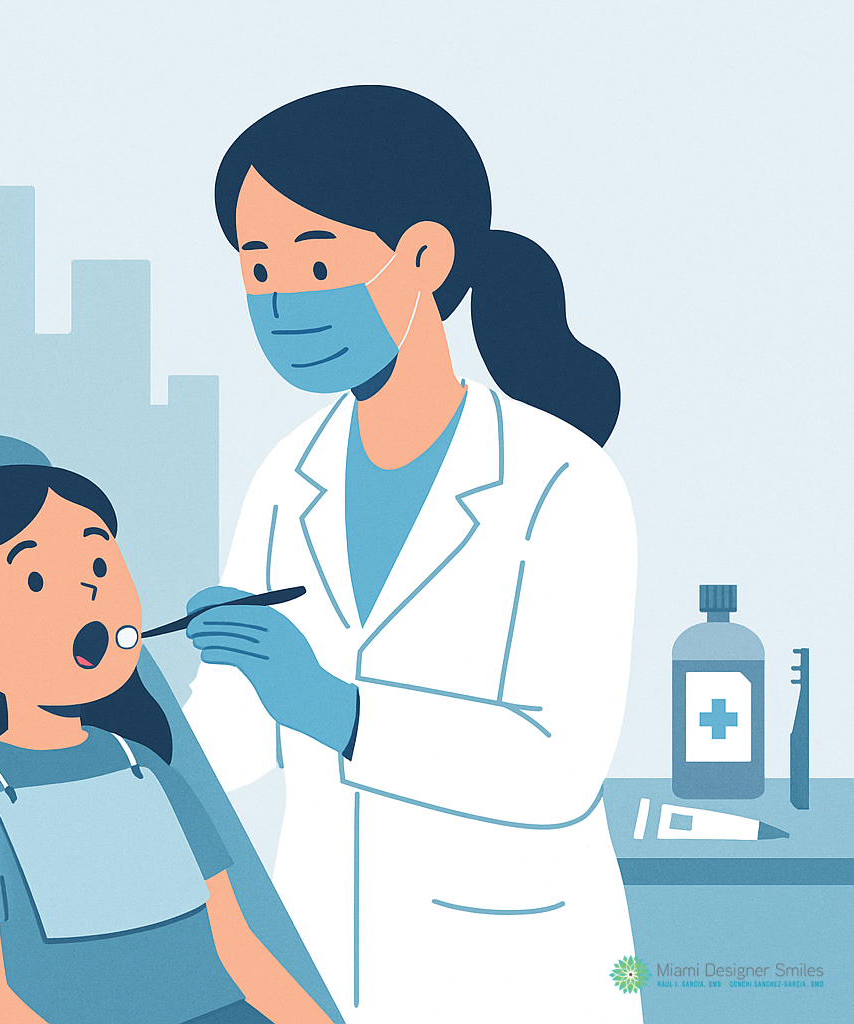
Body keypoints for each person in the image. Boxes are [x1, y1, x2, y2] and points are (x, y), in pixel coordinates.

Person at [181, 86, 641, 1022]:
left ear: (424, 256)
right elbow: (238, 734)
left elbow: (560, 764)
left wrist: (332, 708)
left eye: (315, 262)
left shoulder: (562, 480)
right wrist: (110, 729)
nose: (280, 303)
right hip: (325, 954)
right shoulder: (288, 475)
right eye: (256, 268)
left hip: (514, 966)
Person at [0, 465, 334, 1024]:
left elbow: (240, 947)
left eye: (100, 566)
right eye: (36, 580)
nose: (90, 593)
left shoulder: (152, 773)